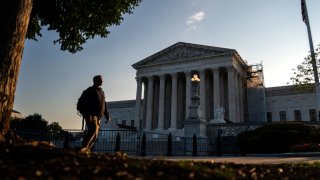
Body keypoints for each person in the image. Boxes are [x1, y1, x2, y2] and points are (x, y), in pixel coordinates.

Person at [80, 75, 111, 154]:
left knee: (95, 135)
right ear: (95, 81)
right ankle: (83, 149)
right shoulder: (90, 90)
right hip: (91, 115)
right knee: (92, 130)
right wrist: (88, 115)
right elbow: (86, 103)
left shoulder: (101, 92)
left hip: (98, 117)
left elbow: (104, 104)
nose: (102, 81)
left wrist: (107, 115)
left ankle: (87, 150)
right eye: (101, 80)